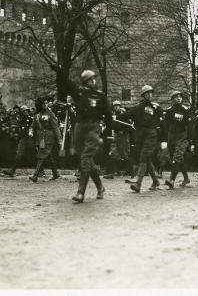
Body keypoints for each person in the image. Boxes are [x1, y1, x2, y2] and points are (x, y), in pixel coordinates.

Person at [65, 70, 110, 203]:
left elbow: (108, 116)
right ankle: (100, 187)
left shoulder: (100, 96)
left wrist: (108, 134)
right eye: (91, 80)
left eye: (94, 79)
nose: (93, 81)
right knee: (85, 159)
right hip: (80, 126)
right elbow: (68, 84)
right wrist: (60, 70)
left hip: (93, 126)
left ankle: (80, 193)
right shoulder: (79, 93)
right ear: (86, 82)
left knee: (86, 157)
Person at [118, 85, 163, 193]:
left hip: (151, 134)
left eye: (151, 93)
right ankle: (155, 181)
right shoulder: (138, 107)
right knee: (146, 158)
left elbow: (161, 120)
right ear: (143, 95)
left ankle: (138, 184)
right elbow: (128, 114)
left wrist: (162, 137)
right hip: (140, 135)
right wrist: (117, 116)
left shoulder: (156, 107)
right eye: (147, 93)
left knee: (144, 156)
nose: (149, 95)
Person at [29, 97, 62, 182]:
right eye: (44, 103)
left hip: (48, 137)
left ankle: (35, 176)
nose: (46, 105)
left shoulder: (51, 114)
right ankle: (55, 173)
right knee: (48, 155)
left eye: (47, 103)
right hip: (40, 137)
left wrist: (60, 140)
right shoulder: (38, 114)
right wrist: (31, 131)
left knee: (41, 155)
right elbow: (33, 125)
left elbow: (56, 127)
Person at [163, 91, 192, 189]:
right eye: (176, 97)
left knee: (177, 158)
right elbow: (165, 125)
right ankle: (186, 178)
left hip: (182, 137)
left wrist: (190, 140)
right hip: (171, 136)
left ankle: (171, 180)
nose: (179, 98)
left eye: (180, 97)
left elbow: (189, 125)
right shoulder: (169, 111)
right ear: (172, 100)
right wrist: (165, 139)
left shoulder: (185, 110)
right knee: (177, 159)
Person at [2, 105, 35, 178]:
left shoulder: (31, 119)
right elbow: (19, 129)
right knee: (19, 155)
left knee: (34, 153)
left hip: (30, 139)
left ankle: (41, 171)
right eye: (25, 111)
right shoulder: (20, 120)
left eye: (27, 111)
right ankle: (12, 171)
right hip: (23, 139)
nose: (26, 112)